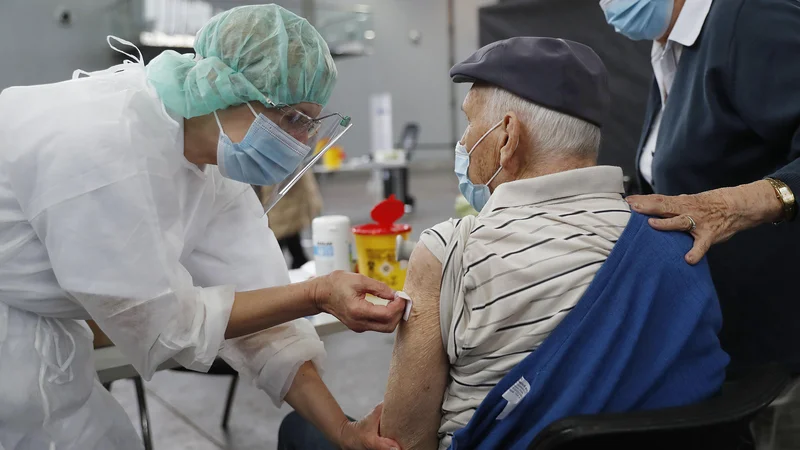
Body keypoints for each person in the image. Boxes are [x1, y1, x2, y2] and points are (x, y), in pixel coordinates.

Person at [278, 37, 728, 450]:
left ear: (508, 138)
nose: (463, 142)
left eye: (470, 122)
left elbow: (404, 442)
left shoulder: (451, 252)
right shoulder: (673, 239)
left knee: (298, 431)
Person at [0, 5, 404, 450]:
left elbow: (267, 318)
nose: (302, 142)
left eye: (311, 124)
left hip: (44, 335)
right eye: (292, 119)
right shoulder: (104, 148)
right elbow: (161, 325)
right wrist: (315, 293)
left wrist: (344, 433)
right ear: (223, 87)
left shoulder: (209, 161)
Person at [600, 0, 800, 446]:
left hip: (781, 351)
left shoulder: (750, 19)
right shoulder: (672, 49)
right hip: (723, 343)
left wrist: (740, 203)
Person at [259, 172, 322, 269]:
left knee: (289, 241)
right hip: (281, 197)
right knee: (285, 241)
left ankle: (297, 264)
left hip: (288, 194)